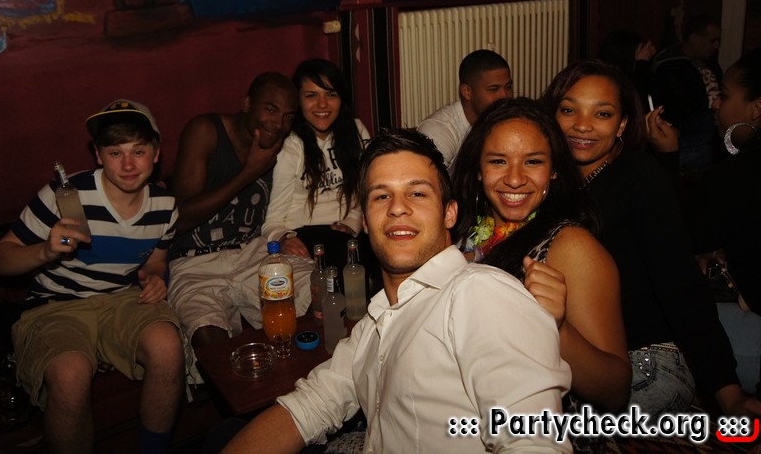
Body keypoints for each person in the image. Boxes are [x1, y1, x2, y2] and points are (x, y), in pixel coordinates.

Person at [222, 129, 572, 453]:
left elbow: (535, 442)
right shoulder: (375, 324)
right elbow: (309, 407)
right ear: (365, 220)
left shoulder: (478, 293)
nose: (397, 207)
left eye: (417, 193)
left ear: (449, 214)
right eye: (381, 195)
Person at [540, 59, 761, 420]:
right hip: (579, 359)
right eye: (568, 110)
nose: (582, 125)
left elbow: (681, 284)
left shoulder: (639, 177)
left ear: (622, 124)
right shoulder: (548, 178)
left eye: (602, 114)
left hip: (646, 363)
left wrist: (728, 391)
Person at [0, 100, 184, 453]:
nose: (127, 164)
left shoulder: (165, 206)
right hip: (56, 305)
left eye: (138, 151)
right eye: (115, 152)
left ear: (156, 154)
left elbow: (156, 260)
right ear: (98, 155)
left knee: (168, 347)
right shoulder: (65, 195)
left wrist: (156, 277)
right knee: (70, 373)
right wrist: (44, 251)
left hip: (122, 299)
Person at [451, 97, 630, 414]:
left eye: (533, 162)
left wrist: (558, 328)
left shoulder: (571, 246)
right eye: (498, 161)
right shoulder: (467, 232)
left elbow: (615, 391)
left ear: (554, 170)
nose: (515, 179)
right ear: (478, 169)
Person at [167, 72, 313, 350]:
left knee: (320, 291)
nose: (278, 124)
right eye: (270, 109)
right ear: (247, 104)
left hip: (255, 252)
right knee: (208, 339)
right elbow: (179, 220)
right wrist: (249, 172)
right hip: (195, 262)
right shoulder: (206, 131)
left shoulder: (284, 146)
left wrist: (284, 235)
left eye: (288, 116)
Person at [685, 48, 761, 392]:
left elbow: (684, 236)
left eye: (725, 96)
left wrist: (669, 158)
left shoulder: (745, 173)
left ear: (756, 109)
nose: (715, 104)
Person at [261, 59, 371, 273]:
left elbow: (370, 189)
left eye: (331, 95)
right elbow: (272, 221)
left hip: (350, 231)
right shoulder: (291, 147)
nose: (322, 105)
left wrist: (353, 221)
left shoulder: (356, 131)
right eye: (311, 95)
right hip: (304, 233)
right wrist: (283, 238)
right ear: (298, 101)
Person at [417, 49, 514, 168]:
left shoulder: (507, 120)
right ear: (467, 92)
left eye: (508, 87)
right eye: (493, 89)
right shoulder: (438, 130)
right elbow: (429, 178)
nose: (505, 96)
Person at [652, 13, 724, 173]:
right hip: (686, 126)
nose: (716, 46)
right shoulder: (672, 66)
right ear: (694, 39)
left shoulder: (711, 64)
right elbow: (681, 109)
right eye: (712, 41)